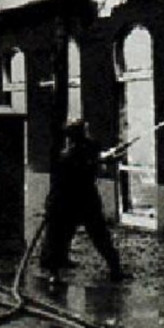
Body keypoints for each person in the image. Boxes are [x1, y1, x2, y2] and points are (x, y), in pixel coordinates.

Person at [40, 119, 128, 285]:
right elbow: (91, 164)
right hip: (77, 200)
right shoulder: (71, 154)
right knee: (90, 235)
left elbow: (96, 160)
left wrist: (108, 156)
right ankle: (114, 269)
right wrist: (106, 159)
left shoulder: (75, 151)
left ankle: (55, 272)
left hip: (74, 200)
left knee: (67, 236)